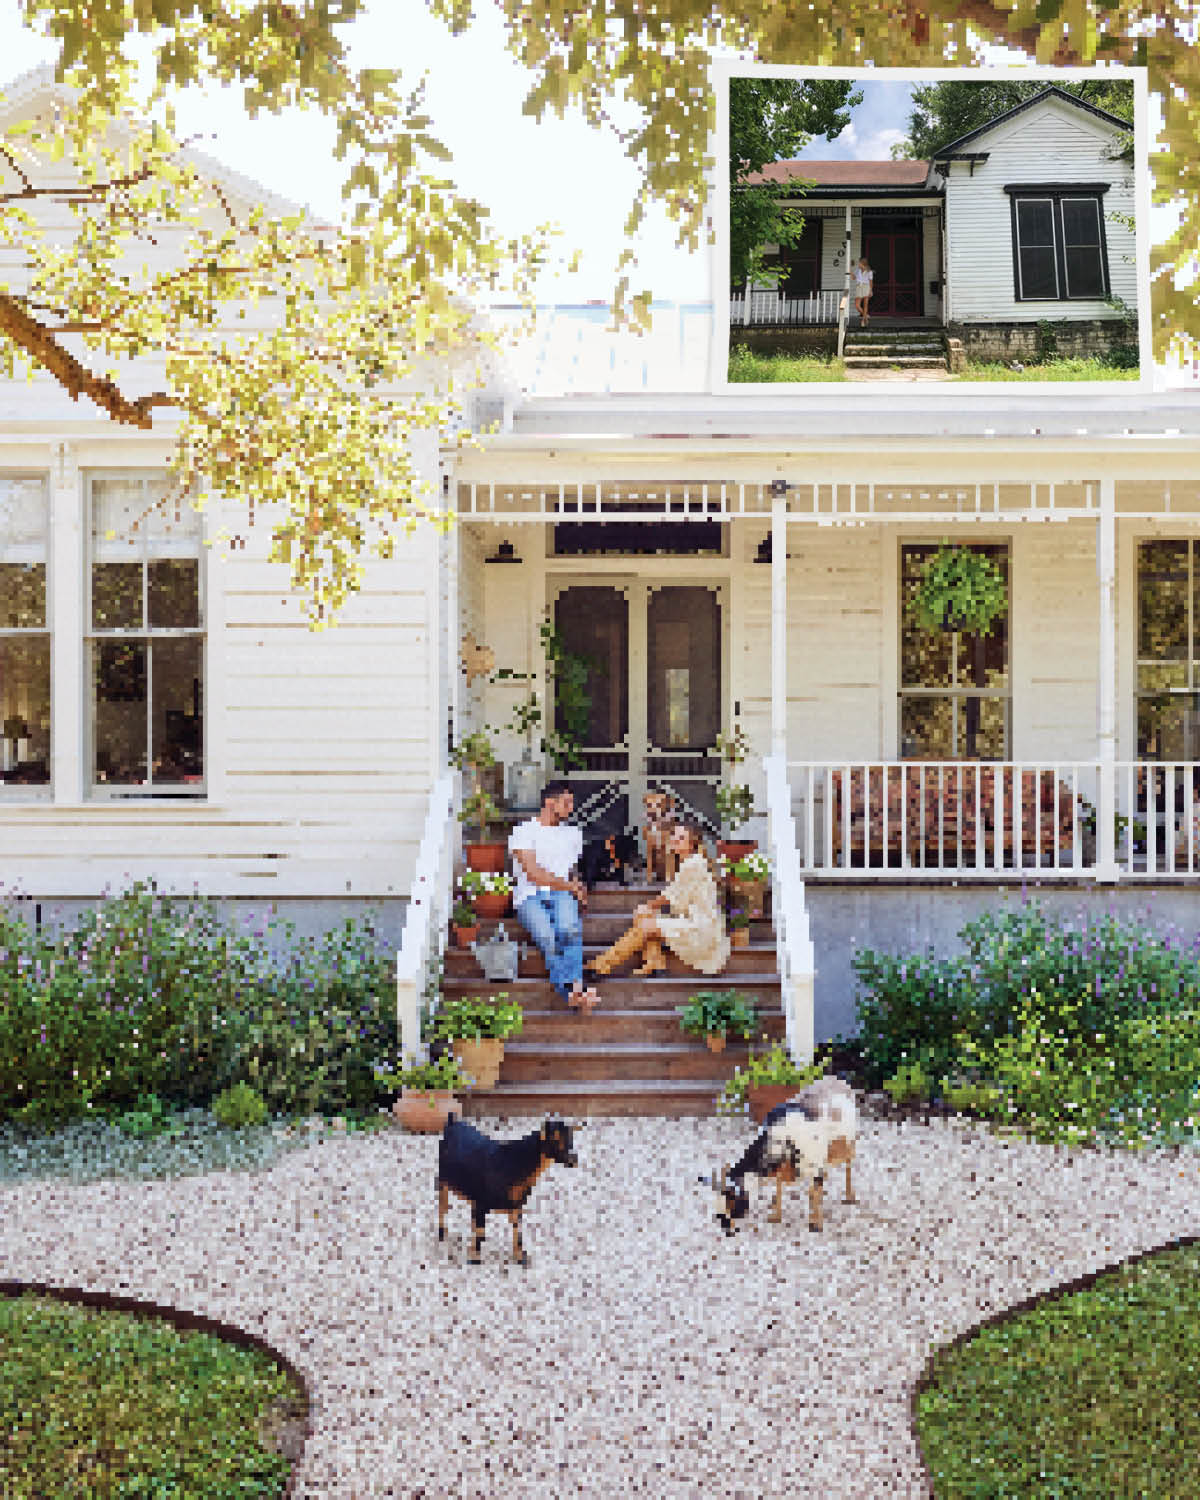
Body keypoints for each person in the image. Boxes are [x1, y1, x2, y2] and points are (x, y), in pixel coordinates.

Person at [588, 820, 730, 978]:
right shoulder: (689, 862)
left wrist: (649, 906)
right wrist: (647, 908)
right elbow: (673, 893)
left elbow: (671, 896)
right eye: (674, 835)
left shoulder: (694, 864)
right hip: (689, 921)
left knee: (645, 924)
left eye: (681, 838)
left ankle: (599, 967)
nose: (675, 839)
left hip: (698, 929)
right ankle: (655, 963)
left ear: (692, 844)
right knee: (644, 916)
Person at [509, 780, 600, 1011]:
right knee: (547, 936)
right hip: (529, 895)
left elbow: (572, 869)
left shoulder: (572, 833)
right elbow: (533, 873)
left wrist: (579, 887)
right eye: (566, 803)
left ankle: (574, 990)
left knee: (569, 929)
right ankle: (572, 990)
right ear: (550, 803)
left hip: (562, 893)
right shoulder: (524, 831)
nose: (571, 808)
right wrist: (569, 886)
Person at [853, 255, 873, 327]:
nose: (858, 264)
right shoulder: (857, 270)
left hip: (866, 287)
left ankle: (863, 321)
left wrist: (870, 291)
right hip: (859, 287)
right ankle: (866, 316)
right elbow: (853, 278)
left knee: (865, 305)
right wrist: (850, 272)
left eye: (859, 263)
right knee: (857, 305)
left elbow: (871, 282)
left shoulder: (869, 271)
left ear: (862, 263)